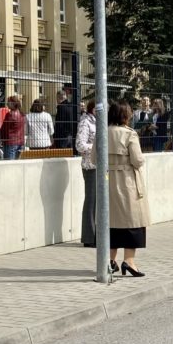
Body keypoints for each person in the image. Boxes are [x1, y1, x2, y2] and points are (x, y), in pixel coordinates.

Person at [106, 101, 150, 276]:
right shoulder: (129, 134)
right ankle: (129, 261)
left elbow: (94, 158)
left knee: (110, 221)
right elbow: (138, 160)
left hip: (107, 180)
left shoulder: (102, 133)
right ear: (125, 116)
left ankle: (110, 260)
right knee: (133, 221)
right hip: (127, 182)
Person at [76, 100, 97, 248]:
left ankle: (97, 235)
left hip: (101, 166)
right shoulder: (85, 122)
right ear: (93, 109)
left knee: (99, 202)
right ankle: (89, 237)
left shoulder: (100, 122)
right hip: (90, 166)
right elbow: (80, 145)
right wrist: (97, 147)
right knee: (91, 200)